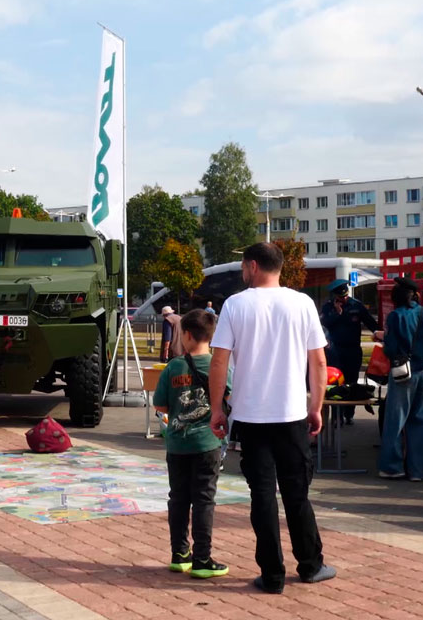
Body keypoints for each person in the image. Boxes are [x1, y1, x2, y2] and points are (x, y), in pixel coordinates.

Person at [208, 242, 335, 593]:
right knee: (296, 494)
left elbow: (219, 361)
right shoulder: (303, 303)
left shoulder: (235, 305)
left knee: (262, 495)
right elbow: (319, 362)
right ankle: (310, 565)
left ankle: (272, 573)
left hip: (250, 416)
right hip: (292, 413)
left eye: (242, 267)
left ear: (252, 266)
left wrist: (218, 408)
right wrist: (316, 406)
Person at [152, 309, 229, 579]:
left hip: (177, 444)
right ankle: (203, 558)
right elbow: (231, 396)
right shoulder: (218, 365)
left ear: (186, 335)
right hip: (208, 443)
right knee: (204, 500)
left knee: (178, 498)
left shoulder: (174, 366)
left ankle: (179, 553)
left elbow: (160, 404)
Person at [378, 277, 423, 481]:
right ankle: (418, 470)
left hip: (402, 372)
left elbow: (390, 347)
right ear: (416, 295)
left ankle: (393, 467)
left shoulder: (395, 316)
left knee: (396, 421)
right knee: (422, 422)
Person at [319, 279, 381, 425]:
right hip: (336, 350)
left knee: (352, 382)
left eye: (345, 296)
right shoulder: (329, 307)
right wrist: (338, 313)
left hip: (353, 350)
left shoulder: (356, 305)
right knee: (336, 383)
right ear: (335, 296)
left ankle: (349, 414)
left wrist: (379, 334)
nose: (344, 299)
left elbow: (370, 322)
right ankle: (336, 416)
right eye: (341, 297)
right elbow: (324, 323)